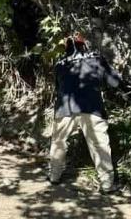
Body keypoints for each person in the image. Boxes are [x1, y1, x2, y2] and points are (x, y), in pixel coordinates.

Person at [49, 33, 123, 193]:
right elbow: (115, 83)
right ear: (83, 45)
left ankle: (54, 177)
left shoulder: (59, 64)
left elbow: (58, 89)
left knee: (58, 143)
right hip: (91, 108)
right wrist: (117, 72)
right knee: (99, 145)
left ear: (66, 48)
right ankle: (108, 185)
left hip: (64, 109)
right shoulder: (96, 58)